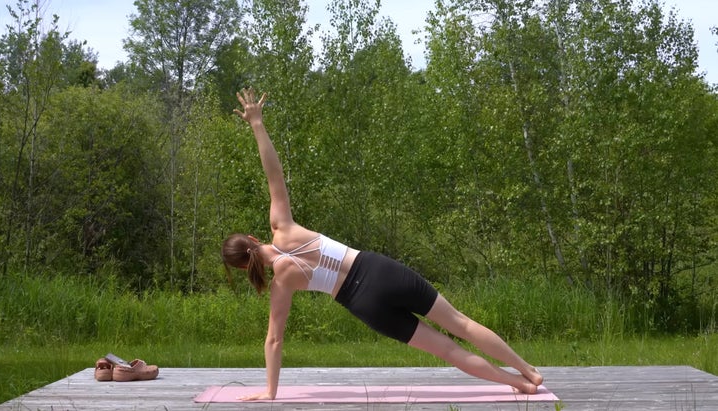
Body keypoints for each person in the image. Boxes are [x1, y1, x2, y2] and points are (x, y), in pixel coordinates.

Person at [222, 88, 543, 401]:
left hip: (364, 303)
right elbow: (273, 174)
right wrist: (257, 124)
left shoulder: (281, 283)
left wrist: (270, 392)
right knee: (460, 323)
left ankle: (517, 385)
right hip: (378, 271)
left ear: (242, 267)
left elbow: (274, 340)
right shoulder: (282, 227)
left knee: (447, 349)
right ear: (253, 239)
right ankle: (527, 370)